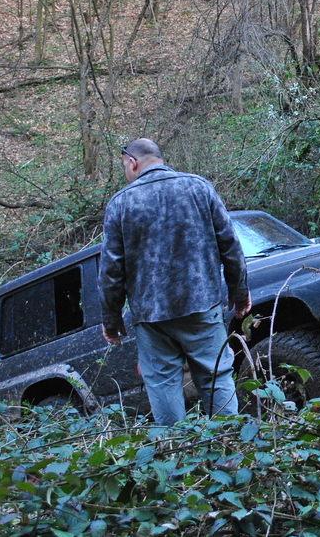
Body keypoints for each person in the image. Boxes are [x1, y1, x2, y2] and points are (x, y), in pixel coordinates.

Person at [99, 138, 251, 425]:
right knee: (216, 376)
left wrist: (111, 318)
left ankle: (176, 459)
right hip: (202, 304)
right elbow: (230, 245)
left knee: (163, 386)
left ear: (133, 162)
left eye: (125, 167)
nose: (126, 174)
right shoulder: (198, 187)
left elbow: (110, 271)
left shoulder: (120, 203)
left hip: (151, 316)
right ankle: (230, 451)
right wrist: (239, 292)